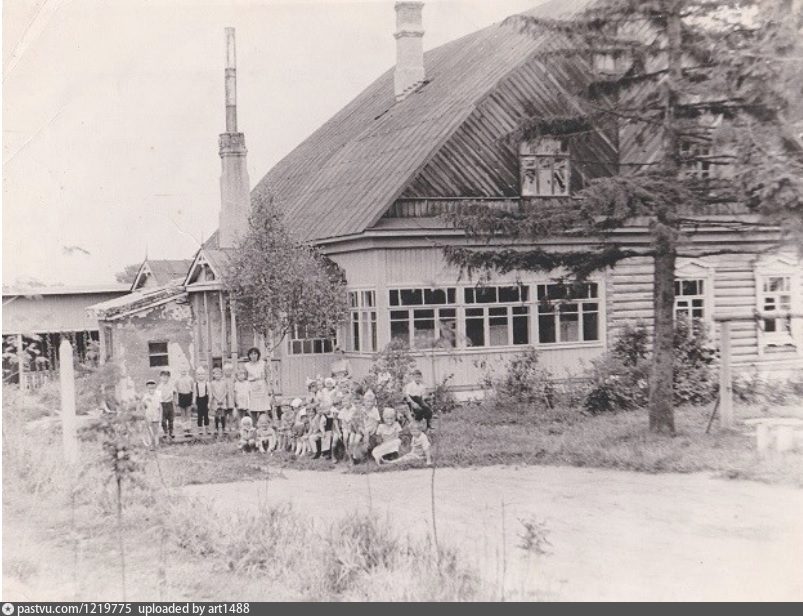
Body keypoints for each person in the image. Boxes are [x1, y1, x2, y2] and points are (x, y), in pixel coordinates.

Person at [245, 347, 271, 422]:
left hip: (262, 385)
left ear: (258, 355)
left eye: (255, 353)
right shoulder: (247, 365)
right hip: (252, 386)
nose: (253, 356)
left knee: (262, 407)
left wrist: (269, 387)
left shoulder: (263, 363)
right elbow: (245, 377)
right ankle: (254, 424)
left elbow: (268, 375)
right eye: (251, 354)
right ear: (249, 355)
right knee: (253, 407)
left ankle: (262, 423)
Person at [141, 379, 162, 450]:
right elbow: (143, 406)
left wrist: (160, 416)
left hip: (156, 415)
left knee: (156, 431)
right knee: (150, 431)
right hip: (149, 415)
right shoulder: (145, 396)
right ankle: (151, 444)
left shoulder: (158, 395)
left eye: (153, 388)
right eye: (149, 388)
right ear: (147, 388)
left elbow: (160, 407)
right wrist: (145, 415)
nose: (151, 389)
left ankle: (157, 444)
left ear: (155, 387)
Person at [157, 370, 175, 440]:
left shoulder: (171, 385)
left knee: (171, 419)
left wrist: (172, 397)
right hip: (162, 404)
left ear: (169, 378)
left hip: (169, 403)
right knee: (163, 420)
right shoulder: (159, 387)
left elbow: (173, 392)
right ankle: (165, 431)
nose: (165, 379)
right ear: (160, 377)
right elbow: (158, 397)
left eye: (167, 377)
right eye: (163, 377)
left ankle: (171, 432)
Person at [209, 367, 228, 437]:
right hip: (216, 400)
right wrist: (217, 399)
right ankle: (216, 428)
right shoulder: (212, 383)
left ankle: (223, 427)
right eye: (216, 374)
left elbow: (226, 391)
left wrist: (222, 398)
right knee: (216, 414)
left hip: (222, 399)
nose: (218, 376)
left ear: (221, 375)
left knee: (223, 414)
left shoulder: (224, 382)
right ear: (213, 375)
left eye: (219, 374)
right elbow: (213, 392)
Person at [194, 368, 211, 436]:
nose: (200, 376)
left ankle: (207, 428)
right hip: (199, 400)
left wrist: (209, 402)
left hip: (205, 400)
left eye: (202, 374)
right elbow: (195, 393)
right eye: (199, 374)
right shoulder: (195, 384)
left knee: (206, 415)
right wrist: (194, 402)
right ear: (196, 376)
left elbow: (210, 394)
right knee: (199, 415)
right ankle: (200, 429)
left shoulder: (207, 383)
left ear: (205, 375)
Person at [222, 363, 236, 432]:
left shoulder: (233, 379)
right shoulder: (222, 379)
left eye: (230, 370)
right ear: (224, 371)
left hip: (231, 397)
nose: (228, 372)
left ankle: (232, 425)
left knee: (231, 412)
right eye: (227, 370)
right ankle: (225, 425)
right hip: (224, 398)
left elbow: (235, 388)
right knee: (224, 413)